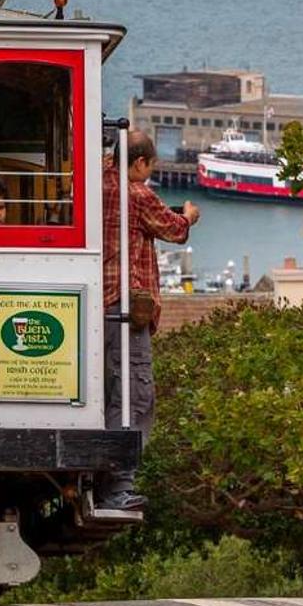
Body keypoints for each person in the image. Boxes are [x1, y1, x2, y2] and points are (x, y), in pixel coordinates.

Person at [98, 129, 199, 511]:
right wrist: (188, 214)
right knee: (133, 395)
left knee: (107, 392)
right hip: (125, 307)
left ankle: (103, 478)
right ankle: (118, 486)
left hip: (99, 306)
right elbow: (174, 230)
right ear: (139, 163)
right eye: (149, 165)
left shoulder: (101, 182)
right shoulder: (137, 193)